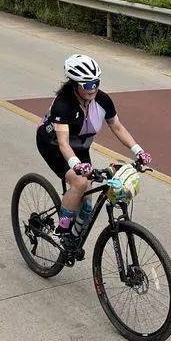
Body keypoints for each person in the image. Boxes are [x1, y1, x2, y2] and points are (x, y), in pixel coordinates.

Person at [36, 54, 152, 248]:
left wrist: (138, 151)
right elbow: (64, 143)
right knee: (80, 182)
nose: (93, 89)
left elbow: (117, 127)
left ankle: (74, 238)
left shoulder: (103, 99)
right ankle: (61, 230)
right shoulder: (63, 104)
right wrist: (76, 165)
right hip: (53, 145)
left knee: (87, 205)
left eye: (95, 83)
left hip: (80, 147)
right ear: (75, 84)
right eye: (87, 85)